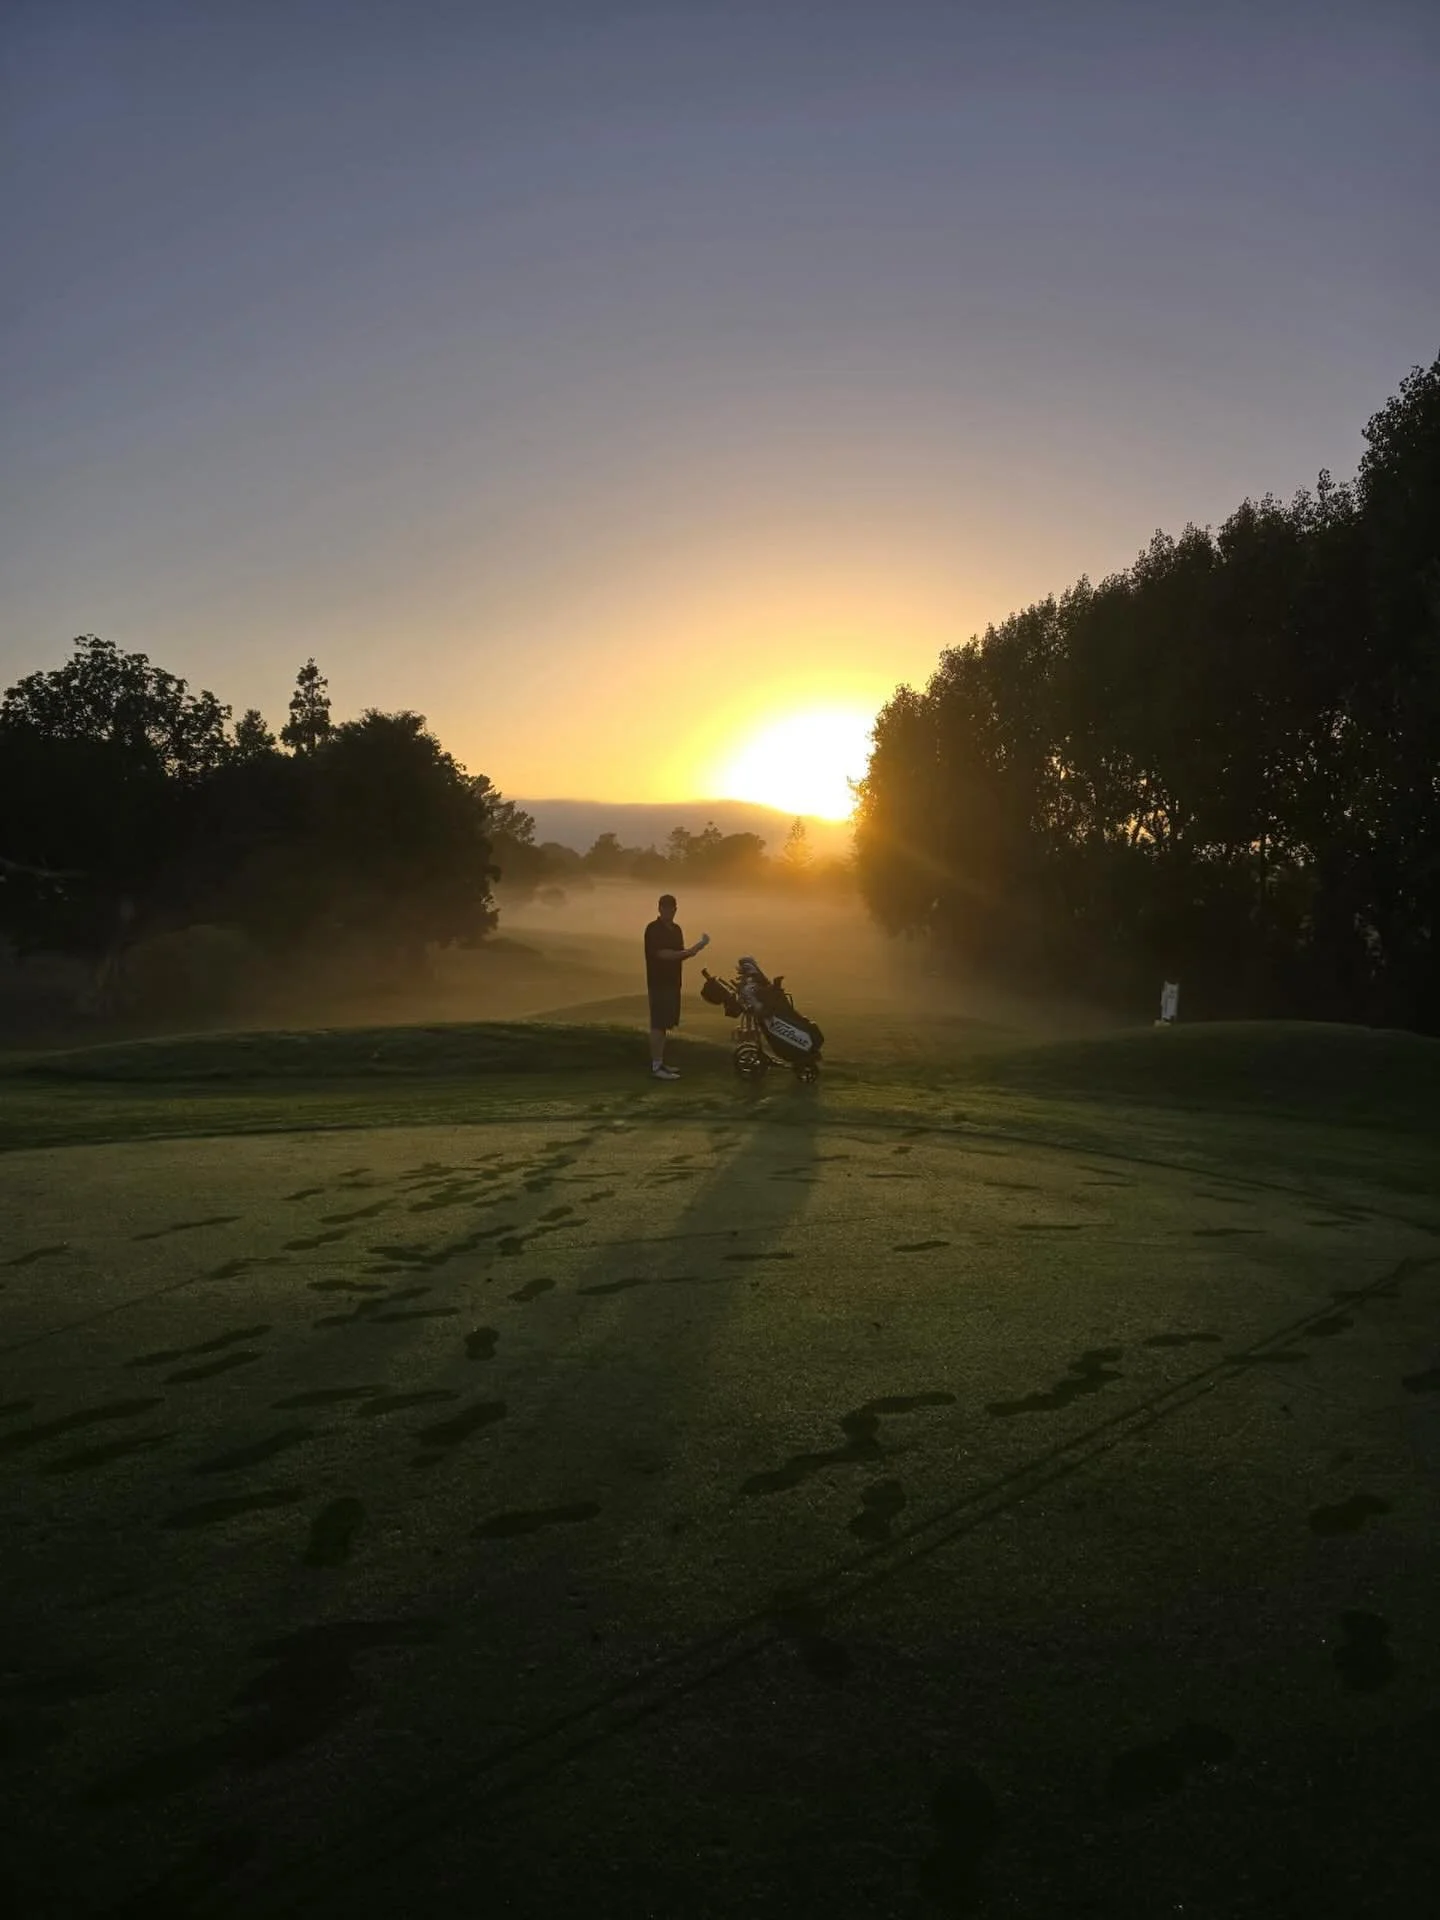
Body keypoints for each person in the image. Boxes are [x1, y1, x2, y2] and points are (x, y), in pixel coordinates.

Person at [643, 894, 709, 1079]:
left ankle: (661, 1063)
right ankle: (656, 1067)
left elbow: (679, 953)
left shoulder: (676, 929)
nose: (668, 912)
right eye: (665, 908)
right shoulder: (653, 929)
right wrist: (690, 951)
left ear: (675, 909)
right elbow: (663, 954)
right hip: (658, 982)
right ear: (659, 909)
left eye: (671, 908)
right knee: (657, 1024)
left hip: (673, 983)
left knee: (665, 1024)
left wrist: (691, 950)